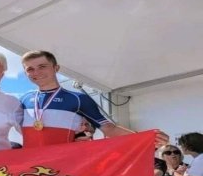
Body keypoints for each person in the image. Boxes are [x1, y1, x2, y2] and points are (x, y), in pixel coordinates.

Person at [19, 50, 169, 148]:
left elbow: (109, 128)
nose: (36, 72)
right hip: (31, 164)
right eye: (30, 69)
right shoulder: (24, 99)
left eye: (42, 66)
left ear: (56, 68)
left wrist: (146, 138)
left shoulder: (78, 99)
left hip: (64, 163)